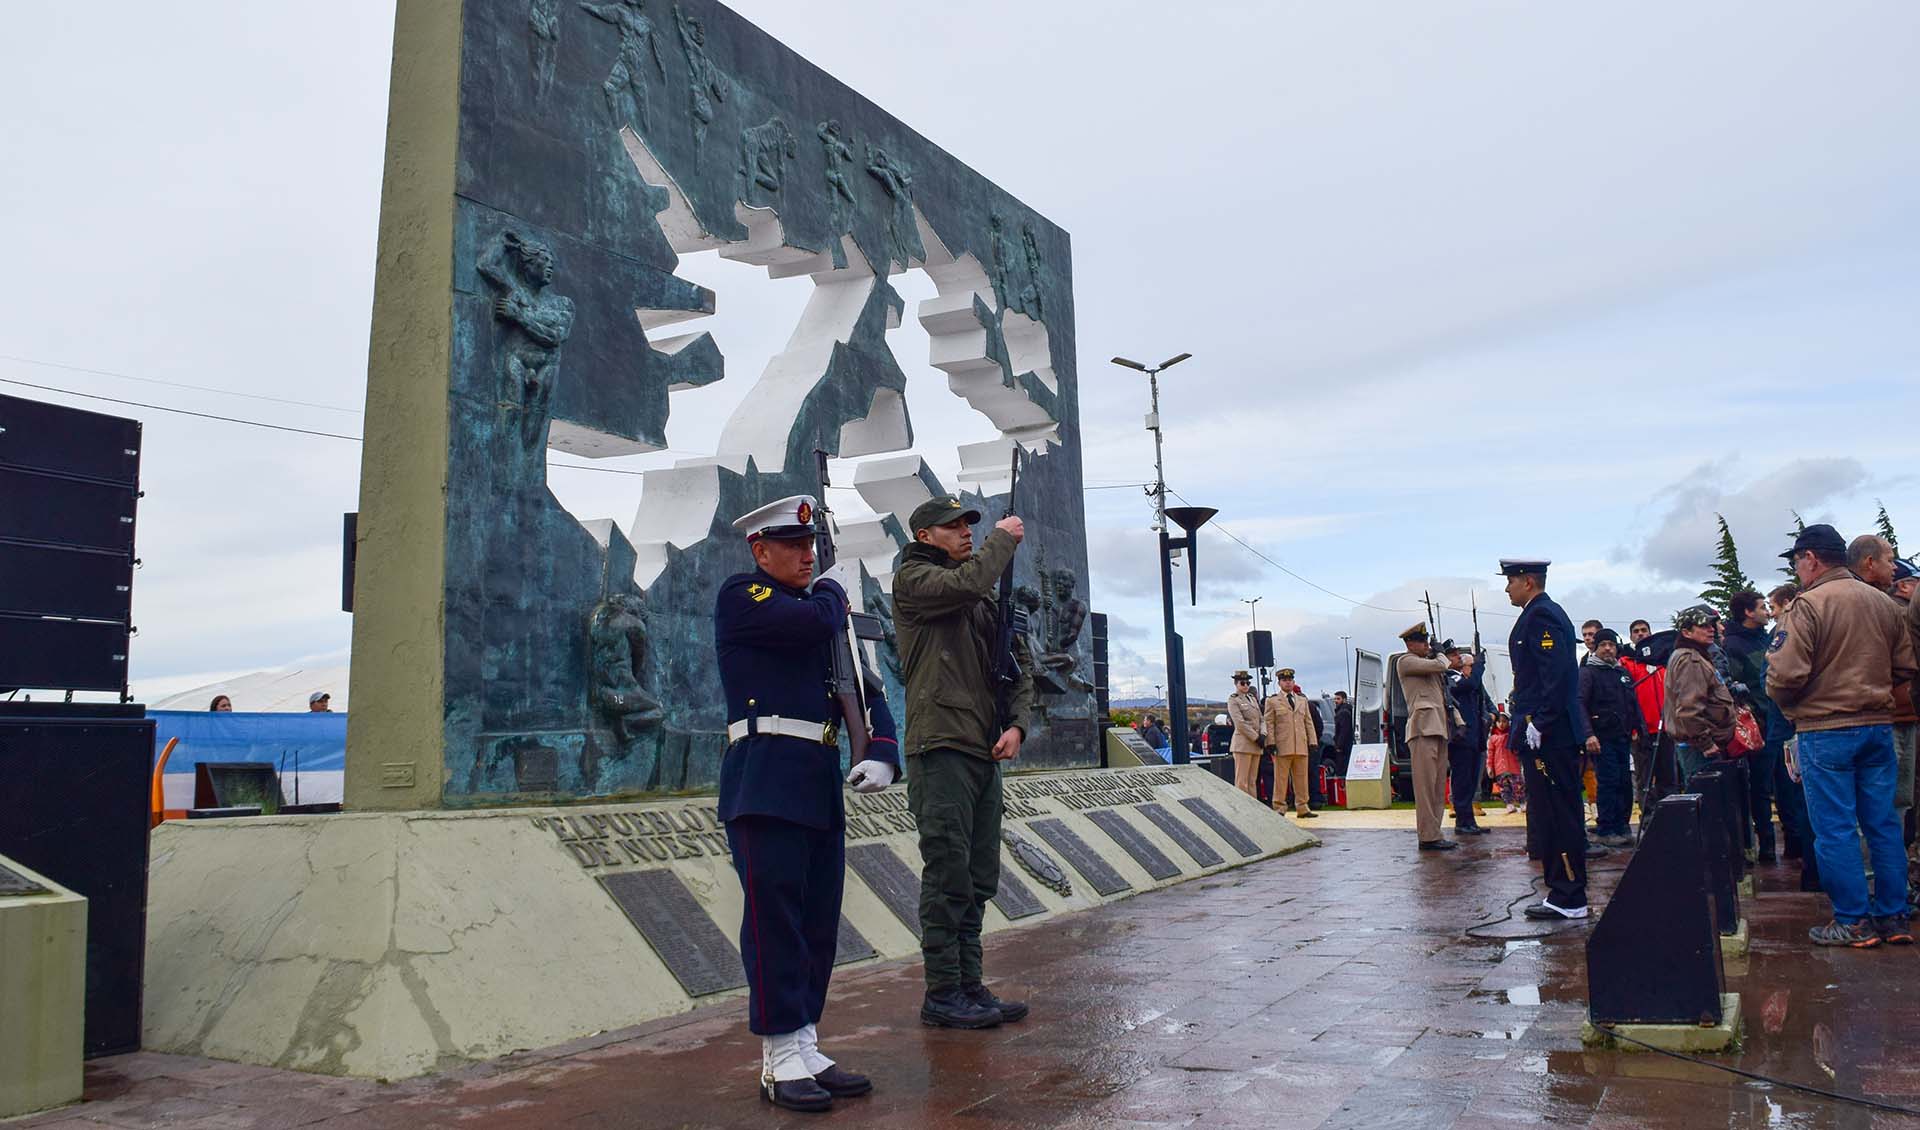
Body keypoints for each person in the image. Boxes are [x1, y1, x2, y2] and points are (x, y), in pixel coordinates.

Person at [713, 494, 902, 1110]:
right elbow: (810, 623)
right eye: (792, 546)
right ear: (760, 550)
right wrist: (833, 596)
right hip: (765, 778)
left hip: (819, 783)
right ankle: (777, 1057)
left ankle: (805, 1043)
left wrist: (880, 750)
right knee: (775, 925)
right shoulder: (745, 598)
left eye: (812, 545)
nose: (806, 554)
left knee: (817, 923)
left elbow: (866, 689)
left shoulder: (823, 615)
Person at [892, 494, 1036, 1026]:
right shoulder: (915, 580)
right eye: (953, 527)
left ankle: (970, 984)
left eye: (968, 526)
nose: (965, 532)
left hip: (979, 747)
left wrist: (1017, 724)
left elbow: (1017, 666)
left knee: (977, 876)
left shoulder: (978, 599)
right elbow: (966, 583)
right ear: (925, 536)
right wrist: (1004, 539)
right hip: (941, 745)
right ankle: (942, 992)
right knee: (948, 871)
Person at [1769, 523, 1916, 946]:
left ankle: (1852, 921)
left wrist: (1793, 707)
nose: (1797, 570)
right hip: (1878, 726)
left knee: (1835, 829)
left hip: (1826, 729)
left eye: (1797, 561)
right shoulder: (1884, 603)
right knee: (1884, 824)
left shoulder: (1808, 605)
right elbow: (1906, 666)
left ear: (1811, 559)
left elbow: (1783, 674)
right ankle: (1894, 918)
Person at [1503, 559, 1591, 919]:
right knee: (1548, 811)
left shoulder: (1544, 616)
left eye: (1510, 582)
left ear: (1527, 581)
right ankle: (1561, 890)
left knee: (1558, 812)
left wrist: (1541, 720)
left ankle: (1570, 894)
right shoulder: (1534, 613)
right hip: (1541, 730)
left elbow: (1556, 674)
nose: (1507, 589)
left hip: (1549, 735)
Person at [1723, 590, 1783, 860]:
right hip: (1759, 726)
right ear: (1748, 612)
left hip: (1779, 720)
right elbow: (1736, 690)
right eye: (1762, 607)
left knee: (1785, 783)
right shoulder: (1734, 646)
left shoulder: (1767, 638)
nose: (1767, 612)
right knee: (1760, 787)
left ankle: (1792, 842)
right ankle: (1765, 846)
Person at [1580, 628, 1648, 847]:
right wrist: (1588, 734)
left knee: (1625, 783)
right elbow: (1579, 704)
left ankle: (1622, 825)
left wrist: (1639, 729)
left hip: (1623, 736)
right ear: (1596, 648)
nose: (1608, 648)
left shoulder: (1622, 673)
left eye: (1611, 644)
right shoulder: (1588, 673)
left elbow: (1632, 703)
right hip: (1601, 737)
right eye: (1603, 645)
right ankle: (1606, 828)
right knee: (1608, 782)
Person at [1395, 625, 1458, 850]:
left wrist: (1457, 723)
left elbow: (1444, 697)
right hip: (1422, 730)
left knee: (1437, 785)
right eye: (1422, 642)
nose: (1427, 645)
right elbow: (1442, 664)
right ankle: (1427, 835)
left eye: (1427, 642)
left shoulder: (1429, 668)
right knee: (1424, 787)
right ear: (1410, 644)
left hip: (1438, 728)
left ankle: (1435, 832)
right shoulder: (1406, 661)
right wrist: (1440, 652)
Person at [1664, 606, 1735, 785]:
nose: (1711, 629)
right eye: (1704, 626)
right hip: (1699, 750)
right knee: (1707, 803)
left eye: (1712, 624)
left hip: (1698, 746)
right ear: (1686, 632)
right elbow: (1689, 709)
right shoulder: (1690, 660)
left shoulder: (1693, 655)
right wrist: (1706, 743)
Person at [1620, 618, 1671, 813]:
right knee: (1645, 778)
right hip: (1642, 730)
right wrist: (1633, 727)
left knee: (1668, 776)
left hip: (1665, 728)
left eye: (1644, 630)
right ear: (1631, 636)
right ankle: (1648, 816)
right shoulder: (1628, 663)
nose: (1641, 634)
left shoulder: (1662, 663)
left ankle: (1671, 814)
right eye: (1636, 631)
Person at [1444, 641, 1492, 836]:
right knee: (1462, 780)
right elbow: (1469, 685)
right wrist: (1478, 665)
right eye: (1453, 655)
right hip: (1461, 737)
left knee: (1472, 780)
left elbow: (1477, 690)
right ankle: (1462, 822)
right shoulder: (1447, 677)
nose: (1458, 657)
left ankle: (1469, 821)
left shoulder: (1464, 676)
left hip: (1474, 735)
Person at [1263, 668, 1319, 819]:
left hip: (1300, 744)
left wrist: (1312, 741)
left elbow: (1308, 722)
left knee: (1301, 778)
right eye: (1284, 680)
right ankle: (1279, 807)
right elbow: (1269, 723)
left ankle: (1302, 807)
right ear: (1279, 682)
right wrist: (1270, 742)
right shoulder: (1272, 701)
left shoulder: (1302, 700)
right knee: (1281, 779)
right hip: (1282, 745)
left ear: (1294, 682)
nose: (1287, 682)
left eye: (1290, 680)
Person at [1226, 671, 1264, 797]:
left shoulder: (1252, 699)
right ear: (1236, 684)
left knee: (1252, 781)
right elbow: (1240, 723)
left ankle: (1254, 808)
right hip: (1243, 744)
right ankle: (1243, 810)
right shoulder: (1234, 700)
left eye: (1248, 683)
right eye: (1243, 683)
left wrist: (1263, 734)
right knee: (1242, 781)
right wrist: (1256, 737)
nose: (1246, 685)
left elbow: (1261, 719)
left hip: (1256, 745)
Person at [1487, 713, 1524, 812]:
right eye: (1499, 722)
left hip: (1514, 767)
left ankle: (1522, 803)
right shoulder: (1493, 738)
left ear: (1508, 722)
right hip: (1500, 769)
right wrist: (1489, 767)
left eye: (1504, 721)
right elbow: (1490, 754)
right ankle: (1509, 804)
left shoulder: (1511, 736)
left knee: (1518, 786)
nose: (1501, 724)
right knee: (1504, 787)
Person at [1332, 690, 1356, 776]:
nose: (1336, 701)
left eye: (1338, 699)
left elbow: (1343, 731)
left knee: (1342, 769)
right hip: (1347, 745)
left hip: (1344, 747)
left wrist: (1339, 745)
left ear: (1344, 700)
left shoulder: (1343, 712)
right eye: (1335, 699)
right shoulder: (1347, 710)